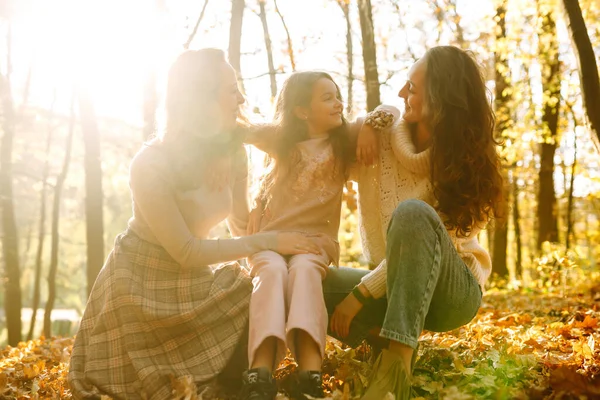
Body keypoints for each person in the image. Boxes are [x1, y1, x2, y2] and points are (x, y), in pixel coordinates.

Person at [68, 49, 322, 400]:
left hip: (194, 281)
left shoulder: (233, 152)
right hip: (140, 284)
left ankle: (238, 384)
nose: (242, 97)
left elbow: (240, 226)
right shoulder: (150, 164)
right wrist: (272, 240)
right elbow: (186, 250)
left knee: (262, 285)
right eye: (231, 90)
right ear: (201, 99)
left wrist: (277, 256)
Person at [324, 45, 507, 399]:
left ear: (439, 98)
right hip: (392, 284)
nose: (400, 93)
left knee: (413, 213)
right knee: (308, 279)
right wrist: (370, 120)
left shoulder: (472, 162)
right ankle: (382, 335)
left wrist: (360, 295)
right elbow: (318, 141)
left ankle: (396, 367)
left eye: (412, 87)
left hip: (452, 292)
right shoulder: (382, 133)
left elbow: (438, 244)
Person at [239, 71, 399, 400]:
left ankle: (309, 372)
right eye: (327, 97)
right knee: (270, 272)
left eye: (338, 95)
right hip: (271, 240)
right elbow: (239, 129)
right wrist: (255, 203)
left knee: (304, 272)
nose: (338, 102)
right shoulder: (279, 138)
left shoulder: (342, 140)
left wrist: (368, 125)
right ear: (301, 110)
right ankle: (260, 370)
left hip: (314, 244)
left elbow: (390, 110)